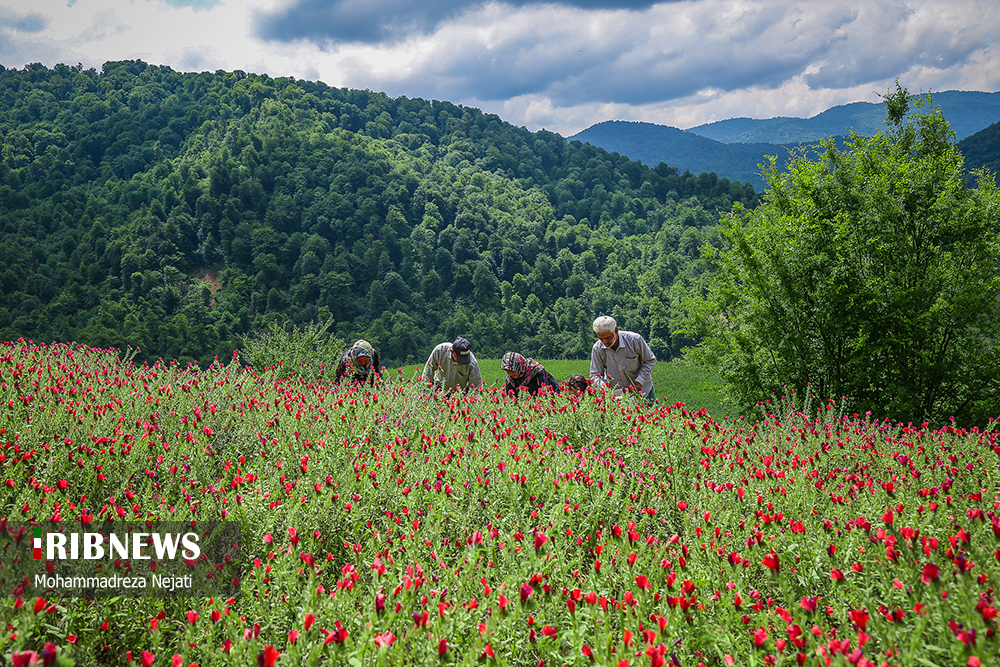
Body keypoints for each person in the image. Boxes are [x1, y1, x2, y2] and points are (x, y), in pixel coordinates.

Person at [590, 316, 656, 401]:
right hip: (617, 396)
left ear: (616, 331)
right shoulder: (597, 348)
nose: (604, 342)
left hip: (643, 391)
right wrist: (601, 384)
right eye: (601, 338)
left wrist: (640, 380)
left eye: (607, 338)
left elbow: (650, 360)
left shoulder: (635, 340)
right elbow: (595, 373)